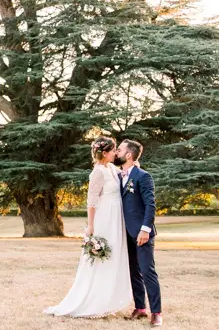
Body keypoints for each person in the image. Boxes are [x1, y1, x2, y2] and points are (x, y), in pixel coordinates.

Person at [43, 137, 132, 318]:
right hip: (105, 218)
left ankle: (109, 299)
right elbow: (91, 202)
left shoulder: (112, 169)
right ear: (105, 153)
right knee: (102, 259)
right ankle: (93, 301)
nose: (116, 153)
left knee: (114, 256)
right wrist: (91, 226)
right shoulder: (98, 173)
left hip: (117, 219)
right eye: (114, 150)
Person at [113, 139, 163, 327]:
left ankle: (156, 312)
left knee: (147, 271)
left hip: (142, 233)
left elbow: (151, 205)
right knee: (134, 271)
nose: (116, 152)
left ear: (128, 155)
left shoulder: (143, 176)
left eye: (119, 150)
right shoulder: (118, 176)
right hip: (125, 233)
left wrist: (145, 229)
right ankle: (140, 308)